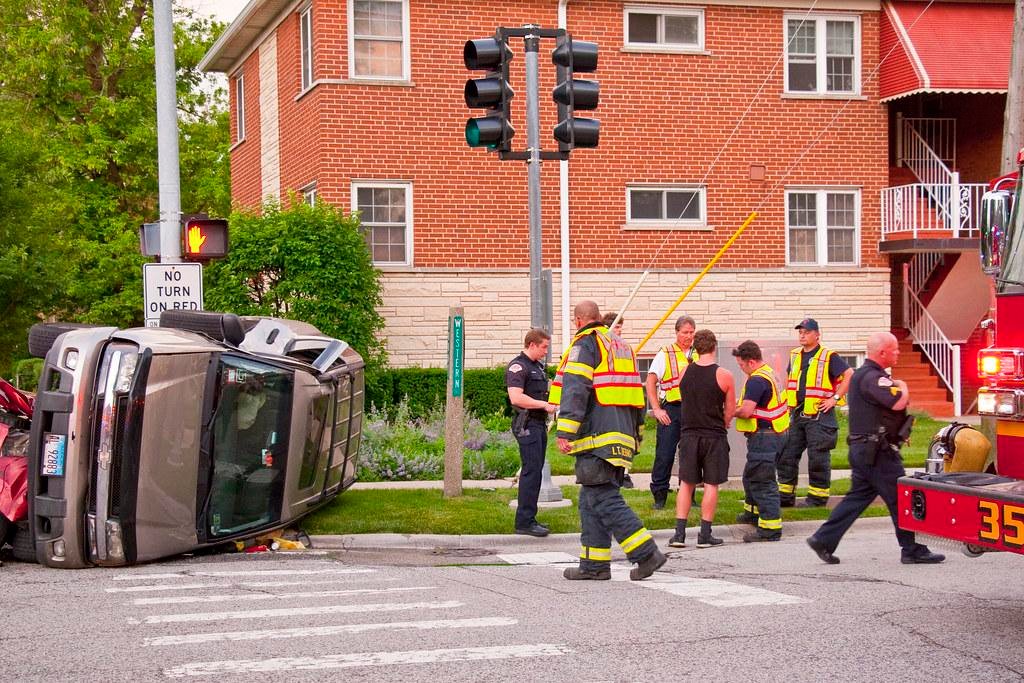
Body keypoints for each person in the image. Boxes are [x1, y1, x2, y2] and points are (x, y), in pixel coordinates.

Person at [550, 300, 666, 581]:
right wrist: (637, 436)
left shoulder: (586, 345)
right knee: (590, 500)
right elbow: (636, 395)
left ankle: (646, 553)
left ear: (578, 321)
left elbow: (575, 388)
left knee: (603, 498)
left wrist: (565, 430)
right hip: (620, 434)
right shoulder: (622, 347)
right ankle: (594, 565)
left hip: (595, 436)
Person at [807, 332, 944, 565]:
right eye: (895, 349)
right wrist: (903, 385)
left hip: (864, 450)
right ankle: (912, 549)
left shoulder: (863, 375)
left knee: (858, 497)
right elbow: (899, 401)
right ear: (882, 352)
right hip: (878, 453)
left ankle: (823, 539)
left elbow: (879, 413)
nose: (898, 353)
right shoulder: (873, 377)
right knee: (902, 497)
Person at [668, 329, 735, 549]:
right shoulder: (724, 375)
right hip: (713, 435)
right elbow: (730, 410)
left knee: (686, 484)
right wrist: (723, 422)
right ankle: (705, 534)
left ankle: (679, 534)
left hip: (689, 434)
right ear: (714, 347)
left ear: (695, 348)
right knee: (711, 484)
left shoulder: (685, 371)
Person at [776, 318, 853, 508]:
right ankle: (785, 497)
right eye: (800, 332)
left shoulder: (828, 356)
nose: (802, 335)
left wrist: (834, 399)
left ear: (817, 335)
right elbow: (790, 381)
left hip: (820, 416)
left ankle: (817, 499)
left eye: (806, 332)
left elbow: (850, 375)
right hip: (797, 413)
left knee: (818, 457)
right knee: (787, 454)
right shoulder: (795, 355)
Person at [732, 340, 789, 542]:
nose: (741, 369)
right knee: (751, 476)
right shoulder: (768, 372)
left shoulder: (757, 380)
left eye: (741, 365)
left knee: (763, 482)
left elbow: (747, 411)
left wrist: (728, 411)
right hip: (775, 434)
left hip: (765, 438)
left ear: (752, 361)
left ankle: (770, 528)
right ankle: (752, 513)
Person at [506, 328, 556, 537]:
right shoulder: (519, 366)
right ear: (532, 344)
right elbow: (516, 398)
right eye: (544, 347)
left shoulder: (537, 367)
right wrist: (543, 405)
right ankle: (524, 522)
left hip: (537, 424)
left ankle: (529, 518)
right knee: (531, 472)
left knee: (535, 471)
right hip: (526, 424)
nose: (546, 351)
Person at [645, 315, 696, 509]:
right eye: (685, 332)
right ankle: (659, 495)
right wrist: (656, 409)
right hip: (671, 409)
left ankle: (688, 495)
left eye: (691, 332)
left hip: (692, 410)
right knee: (665, 454)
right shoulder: (665, 353)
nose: (688, 336)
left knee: (691, 454)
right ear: (676, 333)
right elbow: (651, 381)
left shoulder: (698, 353)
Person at [602, 311, 634, 490]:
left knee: (626, 440)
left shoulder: (625, 348)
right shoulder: (604, 347)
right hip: (609, 400)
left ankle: (625, 473)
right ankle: (612, 472)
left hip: (625, 398)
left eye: (621, 327)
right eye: (617, 327)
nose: (620, 331)